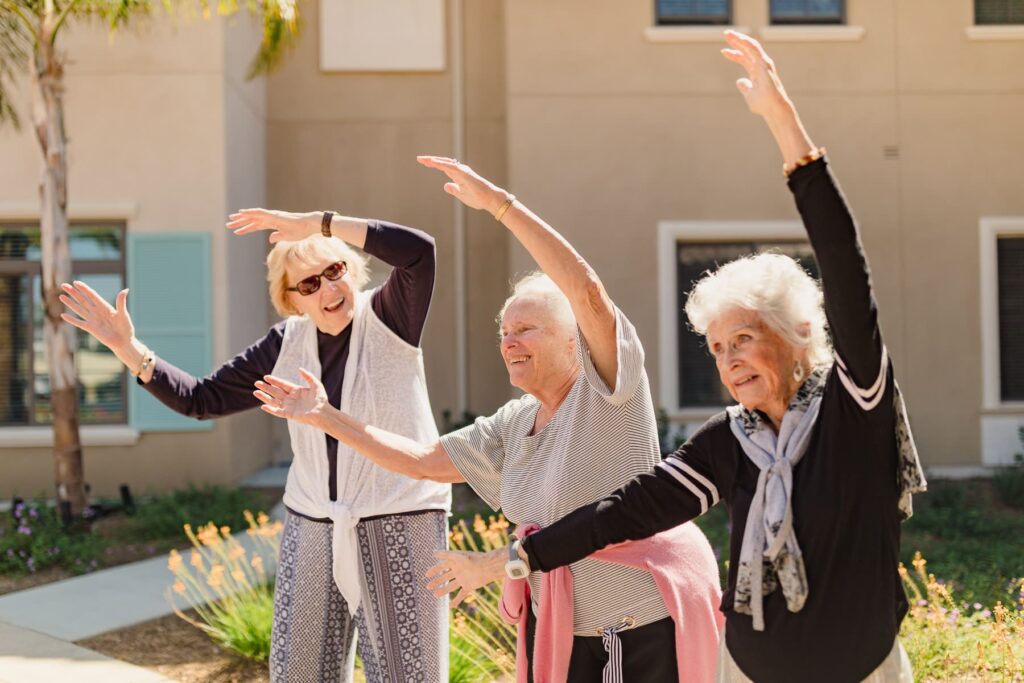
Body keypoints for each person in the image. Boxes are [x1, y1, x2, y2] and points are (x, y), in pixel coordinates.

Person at [510, 31, 927, 683]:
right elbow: (625, 511)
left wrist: (784, 125)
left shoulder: (855, 408)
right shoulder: (729, 441)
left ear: (792, 334)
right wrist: (520, 558)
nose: (728, 361)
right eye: (716, 348)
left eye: (743, 339)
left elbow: (846, 269)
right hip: (747, 671)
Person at [254, 156, 723, 682]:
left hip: (639, 631)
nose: (509, 341)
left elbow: (587, 293)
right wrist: (326, 416)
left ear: (575, 341)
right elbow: (424, 461)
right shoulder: (514, 424)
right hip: (566, 636)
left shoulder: (609, 396)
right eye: (504, 331)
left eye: (527, 329)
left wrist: (502, 206)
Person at [59, 208, 451, 683]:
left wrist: (322, 223)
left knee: (408, 676)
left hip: (401, 518)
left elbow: (419, 252)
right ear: (290, 299)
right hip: (312, 526)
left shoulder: (390, 317)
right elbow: (202, 399)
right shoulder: (284, 345)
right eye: (309, 284)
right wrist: (129, 349)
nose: (328, 289)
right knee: (298, 675)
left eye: (335, 271)